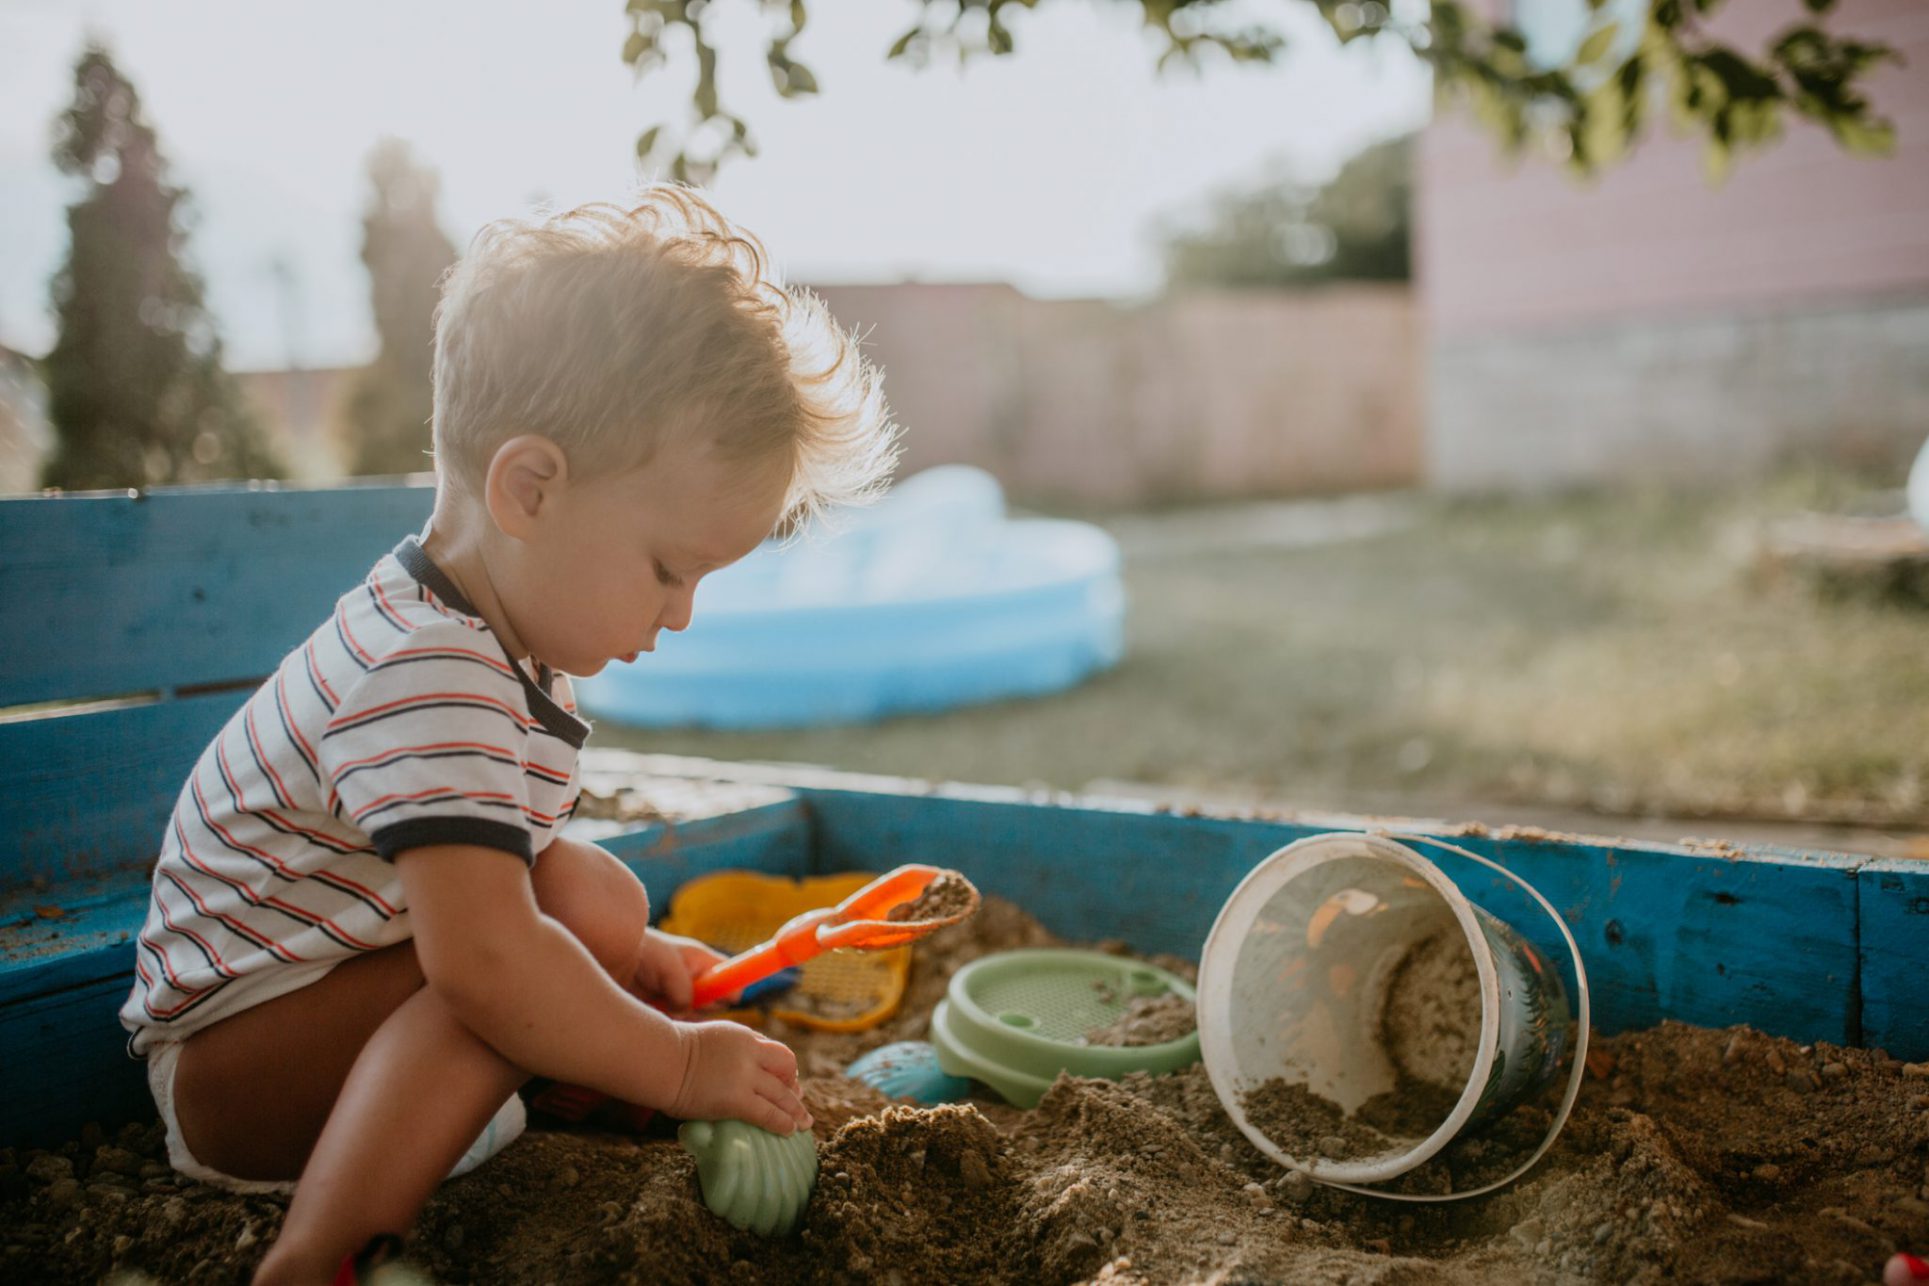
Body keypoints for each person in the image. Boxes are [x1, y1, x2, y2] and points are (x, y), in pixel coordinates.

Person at [116, 185, 901, 1285]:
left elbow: (524, 889)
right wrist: (674, 1064)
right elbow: (483, 962)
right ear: (529, 488)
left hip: (325, 1000)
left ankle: (564, 1066)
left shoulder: (487, 637)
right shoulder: (424, 668)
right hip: (236, 1071)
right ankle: (323, 1253)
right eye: (669, 568)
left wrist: (645, 962)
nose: (679, 613)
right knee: (504, 980)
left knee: (600, 903)